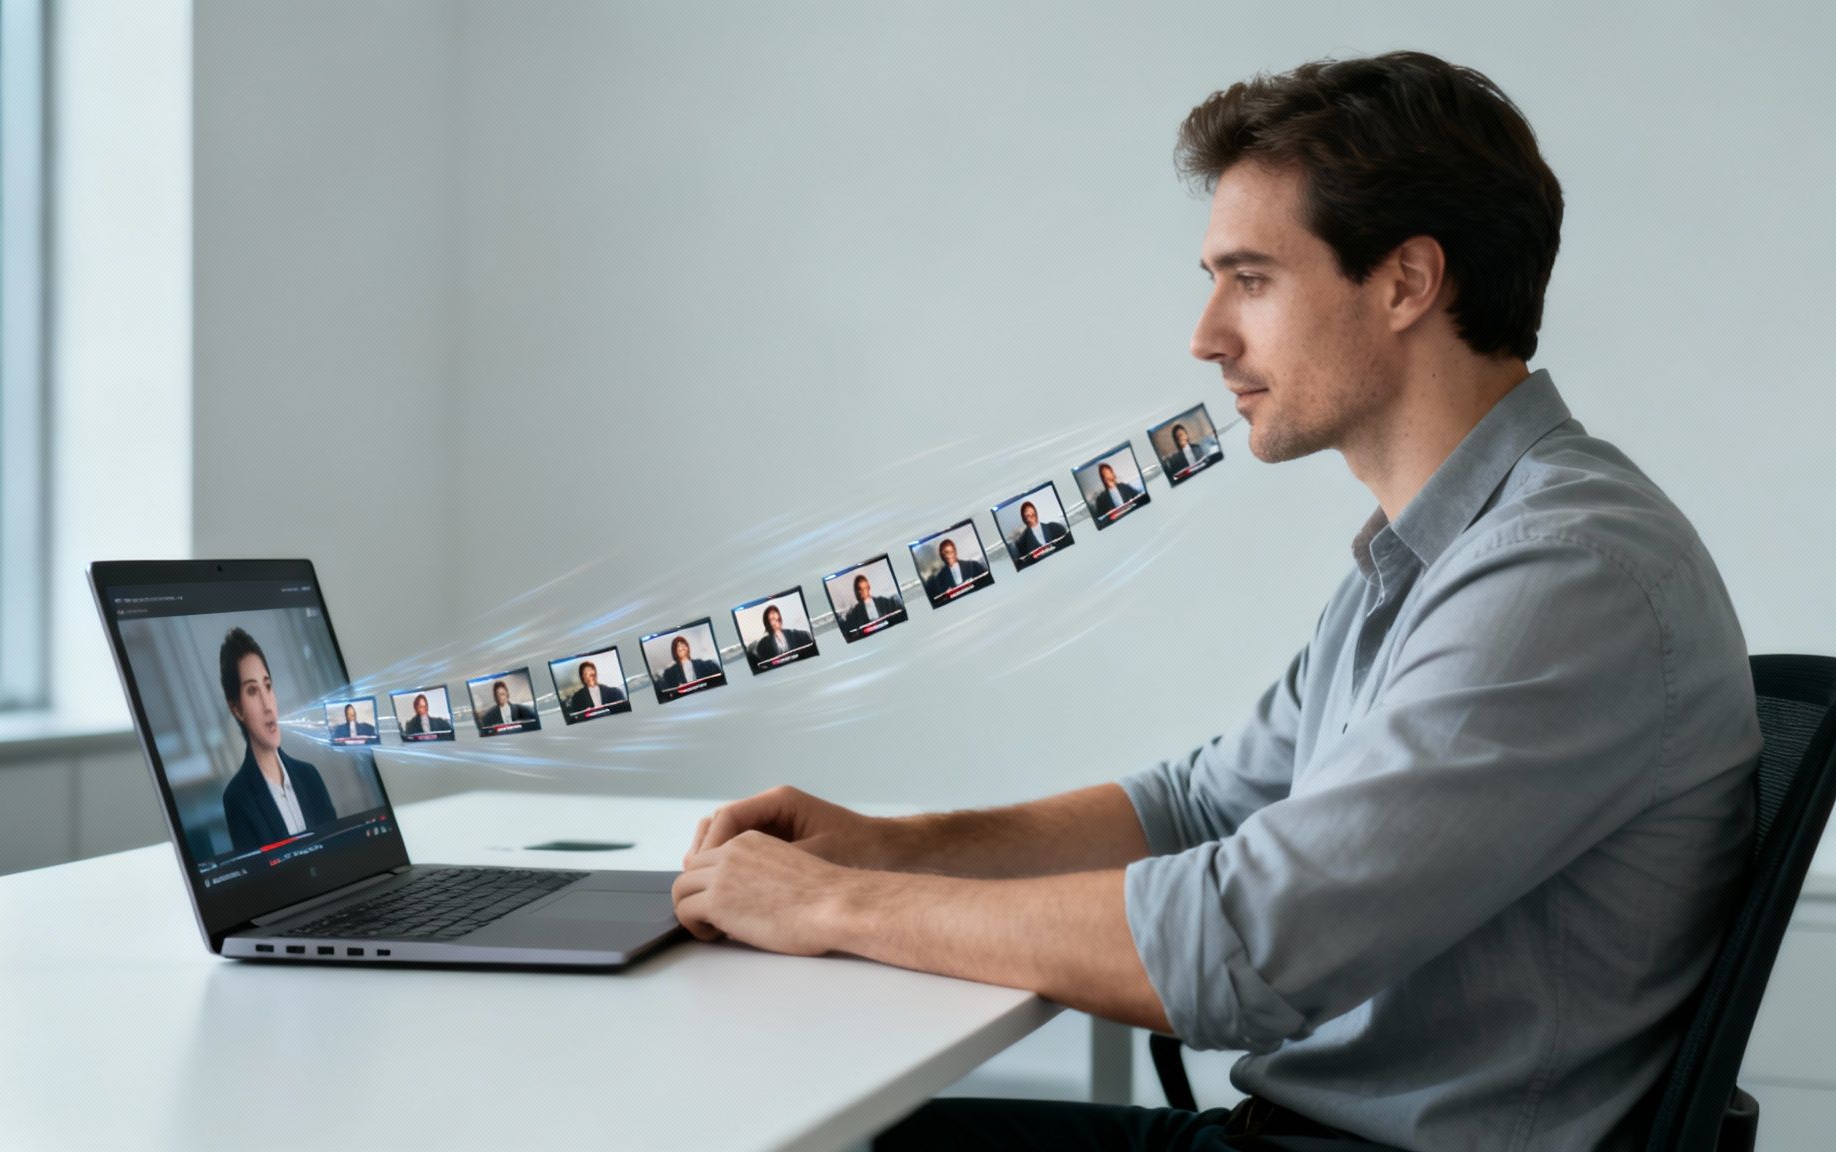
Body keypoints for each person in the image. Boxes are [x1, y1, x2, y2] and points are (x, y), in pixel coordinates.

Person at [670, 51, 1760, 1151]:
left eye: (1249, 280)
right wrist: (883, 847)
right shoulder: (1436, 555)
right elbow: (1199, 807)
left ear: (1404, 282)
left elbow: (1241, 949)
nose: (1205, 336)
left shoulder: (1561, 575)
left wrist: (830, 908)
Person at [217, 627, 337, 854]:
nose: (267, 704)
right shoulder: (237, 798)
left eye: (268, 686)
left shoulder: (309, 776)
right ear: (236, 709)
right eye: (252, 691)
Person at [656, 634, 724, 693]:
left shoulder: (700, 663)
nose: (682, 647)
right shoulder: (670, 672)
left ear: (687, 647)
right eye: (679, 645)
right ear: (675, 651)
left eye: (684, 644)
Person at [923, 538, 988, 597]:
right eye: (944, 554)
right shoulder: (939, 578)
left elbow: (987, 581)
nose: (947, 556)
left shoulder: (973, 565)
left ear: (955, 552)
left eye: (949, 552)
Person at [749, 602, 813, 662]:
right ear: (767, 623)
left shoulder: (793, 634)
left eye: (777, 619)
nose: (775, 622)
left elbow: (807, 637)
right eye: (771, 620)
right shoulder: (763, 644)